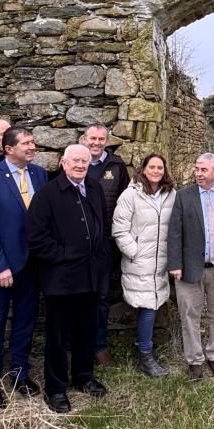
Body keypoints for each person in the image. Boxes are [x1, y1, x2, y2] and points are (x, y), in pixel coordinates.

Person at [26, 144, 109, 414]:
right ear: (64, 162)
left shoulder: (95, 188)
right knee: (59, 337)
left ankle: (83, 377)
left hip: (91, 275)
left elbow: (102, 226)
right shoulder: (47, 195)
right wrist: (64, 255)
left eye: (85, 161)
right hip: (61, 279)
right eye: (75, 160)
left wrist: (100, 256)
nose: (80, 165)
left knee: (87, 330)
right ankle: (56, 389)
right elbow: (37, 239)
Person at [0, 124, 48, 409]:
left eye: (33, 142)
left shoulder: (39, 175)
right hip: (2, 268)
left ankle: (19, 374)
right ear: (9, 149)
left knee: (25, 323)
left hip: (32, 264)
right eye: (26, 143)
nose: (32, 147)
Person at [167, 153, 214, 380]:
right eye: (197, 169)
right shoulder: (183, 196)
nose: (198, 173)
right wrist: (175, 264)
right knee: (189, 315)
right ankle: (194, 361)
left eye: (204, 170)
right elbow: (174, 232)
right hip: (189, 268)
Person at [112, 153, 177, 377]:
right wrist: (135, 252)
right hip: (140, 261)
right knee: (148, 307)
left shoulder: (171, 194)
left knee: (153, 304)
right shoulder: (131, 195)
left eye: (160, 167)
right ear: (144, 169)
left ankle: (144, 347)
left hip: (161, 262)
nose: (156, 171)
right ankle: (145, 356)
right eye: (152, 167)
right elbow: (119, 229)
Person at [82, 123, 130, 366]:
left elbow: (125, 202)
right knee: (76, 296)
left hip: (104, 245)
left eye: (101, 139)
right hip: (77, 245)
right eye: (93, 138)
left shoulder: (117, 166)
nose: (96, 143)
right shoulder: (73, 161)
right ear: (84, 139)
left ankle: (99, 347)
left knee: (101, 297)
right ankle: (74, 347)